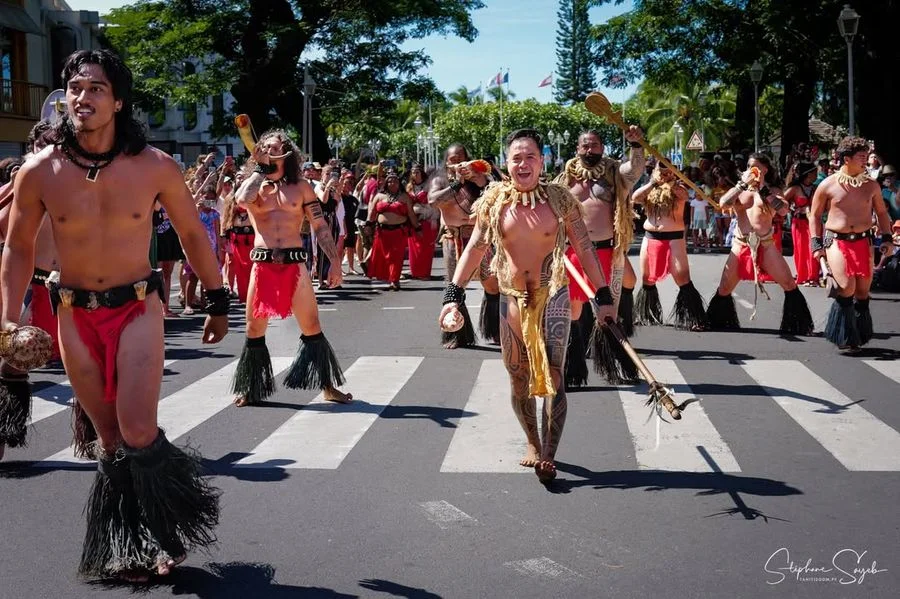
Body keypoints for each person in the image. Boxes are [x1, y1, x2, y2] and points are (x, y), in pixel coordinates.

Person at [0, 49, 229, 581]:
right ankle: (133, 543)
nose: (82, 97)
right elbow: (18, 247)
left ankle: (168, 527)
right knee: (108, 440)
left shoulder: (155, 166)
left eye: (96, 88)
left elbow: (192, 234)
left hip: (137, 307)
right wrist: (7, 319)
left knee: (137, 428)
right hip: (73, 312)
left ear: (119, 101)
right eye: (75, 88)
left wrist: (217, 299)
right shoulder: (40, 170)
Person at [439, 129, 617, 484]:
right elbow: (474, 248)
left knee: (554, 374)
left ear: (542, 162)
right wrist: (452, 296)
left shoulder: (560, 200)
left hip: (553, 295)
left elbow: (585, 248)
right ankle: (533, 442)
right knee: (518, 376)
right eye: (516, 158)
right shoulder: (494, 202)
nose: (523, 164)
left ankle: (549, 452)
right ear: (507, 164)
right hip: (512, 298)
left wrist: (604, 297)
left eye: (530, 157)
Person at [232, 129, 352, 406]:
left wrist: (335, 263)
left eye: (274, 147)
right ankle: (251, 388)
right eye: (264, 147)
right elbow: (242, 200)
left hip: (295, 264)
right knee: (254, 329)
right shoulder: (254, 185)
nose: (269, 150)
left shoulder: (302, 187)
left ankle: (327, 386)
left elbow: (320, 227)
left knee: (311, 325)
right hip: (262, 265)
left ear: (286, 152)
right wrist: (260, 169)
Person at [554, 128, 644, 387]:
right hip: (572, 253)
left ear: (602, 148)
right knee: (572, 310)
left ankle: (617, 366)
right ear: (577, 149)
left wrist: (636, 145)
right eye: (585, 145)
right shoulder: (564, 179)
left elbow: (635, 170)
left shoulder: (615, 173)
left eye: (594, 145)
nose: (589, 150)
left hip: (606, 251)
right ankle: (572, 370)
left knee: (607, 313)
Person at [707, 153, 814, 334]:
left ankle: (798, 324)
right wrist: (741, 186)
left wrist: (763, 191)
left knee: (789, 283)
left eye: (756, 166)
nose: (752, 170)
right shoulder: (739, 190)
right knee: (724, 288)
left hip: (765, 244)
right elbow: (723, 204)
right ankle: (717, 321)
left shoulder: (774, 191)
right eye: (749, 166)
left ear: (765, 169)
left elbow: (783, 210)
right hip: (741, 245)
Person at [811, 136, 893, 352]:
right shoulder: (827, 184)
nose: (866, 159)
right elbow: (815, 215)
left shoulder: (871, 185)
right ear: (846, 159)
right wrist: (816, 244)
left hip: (864, 241)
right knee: (846, 287)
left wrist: (887, 237)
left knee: (863, 292)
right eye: (861, 156)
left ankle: (859, 333)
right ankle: (845, 336)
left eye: (866, 155)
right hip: (836, 240)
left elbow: (881, 212)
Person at [429, 144, 501, 348]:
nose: (457, 162)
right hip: (454, 237)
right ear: (446, 161)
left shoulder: (478, 177)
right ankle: (457, 334)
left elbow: (497, 194)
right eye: (453, 159)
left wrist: (481, 180)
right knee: (455, 285)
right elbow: (433, 201)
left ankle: (495, 329)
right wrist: (456, 184)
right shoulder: (440, 180)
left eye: (461, 158)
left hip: (481, 238)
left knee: (492, 284)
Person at [631, 163, 709, 330]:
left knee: (682, 278)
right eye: (661, 171)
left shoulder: (679, 188)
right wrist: (653, 182)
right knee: (647, 278)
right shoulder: (650, 189)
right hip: (651, 237)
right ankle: (646, 314)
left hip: (674, 238)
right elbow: (635, 198)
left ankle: (694, 318)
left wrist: (670, 181)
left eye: (667, 171)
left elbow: (684, 195)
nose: (664, 174)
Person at [364, 168, 420, 290]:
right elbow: (372, 212)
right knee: (384, 257)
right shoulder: (379, 196)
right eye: (389, 181)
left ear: (399, 183)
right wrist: (368, 225)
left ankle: (395, 280)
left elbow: (411, 214)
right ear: (386, 183)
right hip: (382, 232)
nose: (392, 183)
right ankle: (387, 277)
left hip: (399, 232)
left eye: (395, 181)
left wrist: (417, 227)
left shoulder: (404, 197)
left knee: (396, 257)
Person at [784, 162, 819, 286]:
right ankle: (803, 275)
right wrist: (791, 208)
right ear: (808, 174)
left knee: (813, 248)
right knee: (801, 249)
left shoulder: (816, 188)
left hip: (813, 223)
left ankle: (813, 277)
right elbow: (782, 202)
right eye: (815, 173)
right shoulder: (795, 188)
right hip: (799, 223)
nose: (817, 175)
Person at [407, 163, 439, 280]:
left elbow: (435, 204)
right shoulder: (409, 187)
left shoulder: (429, 186)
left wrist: (434, 219)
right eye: (413, 172)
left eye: (417, 172)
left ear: (421, 173)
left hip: (427, 221)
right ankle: (415, 273)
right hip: (413, 222)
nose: (415, 174)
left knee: (426, 249)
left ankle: (425, 274)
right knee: (413, 249)